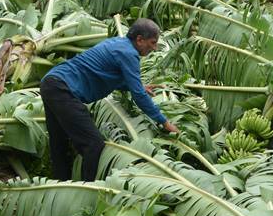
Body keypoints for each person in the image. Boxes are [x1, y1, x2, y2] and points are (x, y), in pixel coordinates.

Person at [39, 18, 179, 181]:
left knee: (59, 143)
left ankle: (61, 185)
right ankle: (86, 189)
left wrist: (139, 87)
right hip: (63, 89)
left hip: (51, 82)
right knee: (94, 144)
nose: (154, 48)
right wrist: (165, 122)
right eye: (152, 43)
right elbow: (139, 96)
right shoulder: (129, 53)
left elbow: (107, 75)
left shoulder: (118, 43)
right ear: (139, 40)